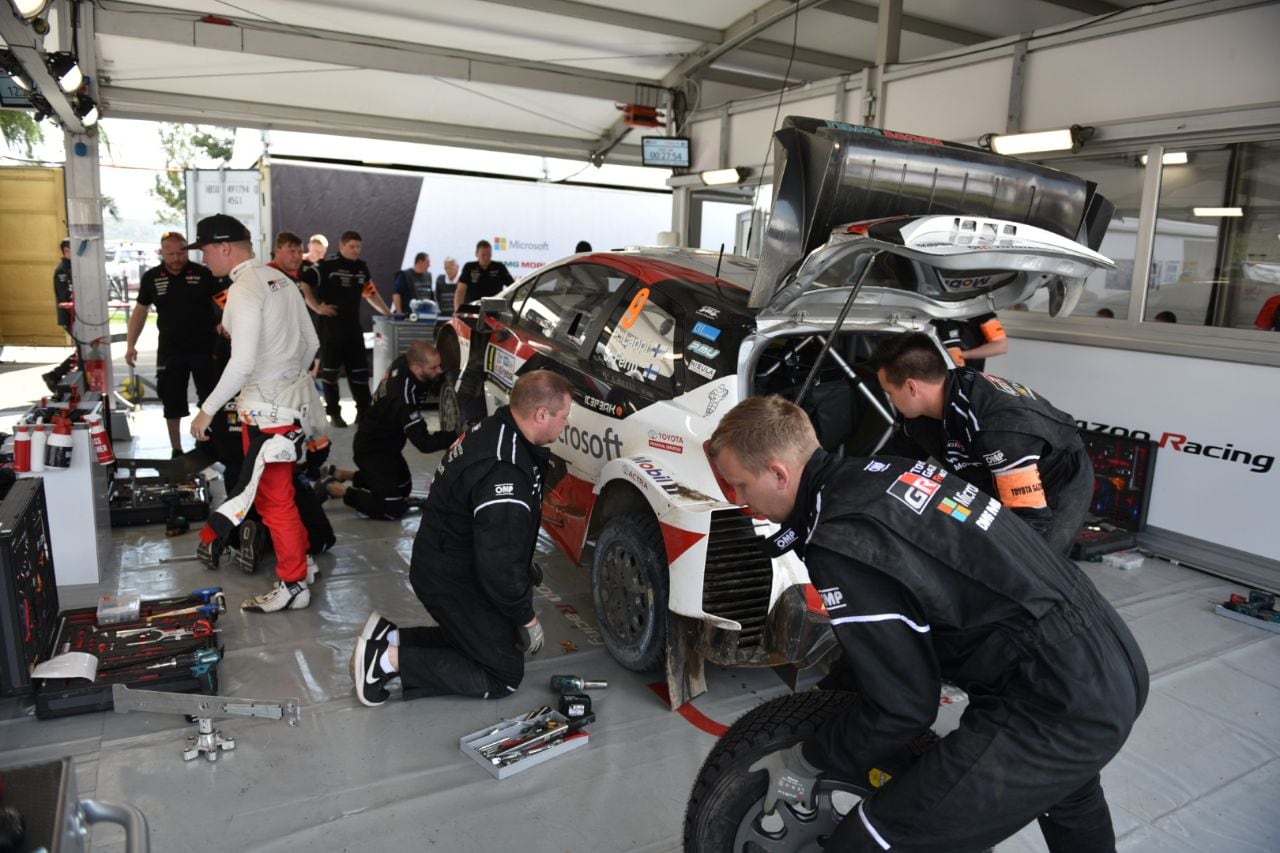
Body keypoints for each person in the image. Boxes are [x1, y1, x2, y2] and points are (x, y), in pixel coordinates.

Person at [706, 395, 1148, 853]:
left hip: (1058, 701)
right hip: (1109, 656)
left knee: (871, 842)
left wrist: (807, 759)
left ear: (778, 474)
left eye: (739, 485)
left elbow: (904, 707)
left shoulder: (842, 540)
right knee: (1069, 793)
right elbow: (898, 635)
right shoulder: (884, 472)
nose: (737, 499)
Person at [351, 369, 572, 707]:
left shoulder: (495, 427)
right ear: (541, 415)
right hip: (452, 577)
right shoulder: (506, 470)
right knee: (503, 674)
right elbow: (499, 562)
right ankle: (385, 662)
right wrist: (526, 616)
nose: (565, 424)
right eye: (564, 416)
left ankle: (389, 637)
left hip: (445, 558)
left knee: (492, 640)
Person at [186, 214, 323, 614]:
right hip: (289, 406)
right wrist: (285, 375)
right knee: (280, 497)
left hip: (266, 414)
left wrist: (207, 411)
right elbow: (311, 342)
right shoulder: (281, 280)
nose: (205, 259)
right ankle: (303, 564)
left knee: (273, 502)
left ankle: (293, 583)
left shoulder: (246, 288)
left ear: (225, 248)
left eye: (207, 250)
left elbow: (242, 363)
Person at [873, 332, 1093, 554]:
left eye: (889, 393)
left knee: (1036, 560)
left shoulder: (994, 427)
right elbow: (892, 460)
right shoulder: (926, 408)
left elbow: (1030, 518)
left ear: (912, 388)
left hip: (1056, 476)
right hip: (995, 469)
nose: (890, 400)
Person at [322, 341, 455, 520]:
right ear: (416, 367)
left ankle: (342, 474)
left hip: (388, 445)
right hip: (371, 449)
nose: (439, 371)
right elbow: (424, 443)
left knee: (403, 489)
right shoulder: (404, 400)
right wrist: (458, 434)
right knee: (392, 508)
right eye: (434, 367)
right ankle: (336, 488)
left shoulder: (404, 362)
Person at [125, 231, 226, 457]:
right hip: (171, 350)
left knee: (211, 396)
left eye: (181, 252)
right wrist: (131, 344)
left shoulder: (203, 273)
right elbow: (140, 312)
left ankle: (210, 442)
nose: (176, 258)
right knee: (172, 400)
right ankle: (176, 449)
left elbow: (225, 301)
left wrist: (225, 322)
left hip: (205, 348)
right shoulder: (152, 277)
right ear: (161, 253)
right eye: (170, 254)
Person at [309, 230, 392, 428]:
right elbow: (304, 282)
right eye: (352, 246)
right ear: (342, 246)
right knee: (330, 374)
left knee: (360, 373)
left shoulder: (361, 269)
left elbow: (370, 294)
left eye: (358, 247)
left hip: (353, 329)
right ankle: (334, 414)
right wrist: (317, 306)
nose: (356, 250)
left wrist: (388, 313)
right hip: (331, 330)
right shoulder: (327, 265)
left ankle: (363, 413)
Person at [42, 239, 76, 392]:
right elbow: (65, 296)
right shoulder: (63, 270)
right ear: (67, 250)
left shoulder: (72, 268)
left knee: (85, 351)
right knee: (84, 351)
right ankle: (56, 375)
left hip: (76, 316)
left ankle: (57, 375)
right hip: (70, 316)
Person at [931, 313, 1007, 372]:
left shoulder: (980, 310)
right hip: (931, 370)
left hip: (968, 375)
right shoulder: (930, 307)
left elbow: (1001, 346)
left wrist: (962, 355)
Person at [453, 239, 514, 312]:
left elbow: (513, 287)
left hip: (495, 310)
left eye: (489, 255)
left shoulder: (499, 267)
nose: (486, 258)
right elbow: (460, 291)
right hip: (473, 309)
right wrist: (458, 310)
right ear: (476, 254)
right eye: (483, 255)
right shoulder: (469, 267)